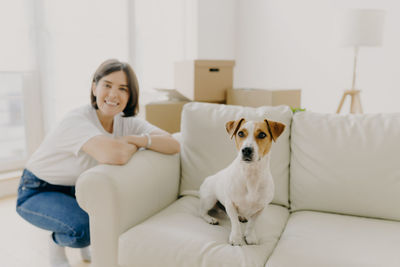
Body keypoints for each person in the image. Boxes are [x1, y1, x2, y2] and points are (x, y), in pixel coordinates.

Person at [16, 59, 180, 267]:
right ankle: (56, 240)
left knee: (106, 222)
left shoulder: (127, 122)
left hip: (76, 188)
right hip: (37, 189)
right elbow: (115, 156)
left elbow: (173, 144)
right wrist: (131, 146)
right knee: (84, 231)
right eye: (107, 85)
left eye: (123, 89)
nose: (113, 95)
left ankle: (70, 228)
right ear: (95, 87)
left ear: (130, 96)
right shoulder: (76, 120)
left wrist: (137, 140)